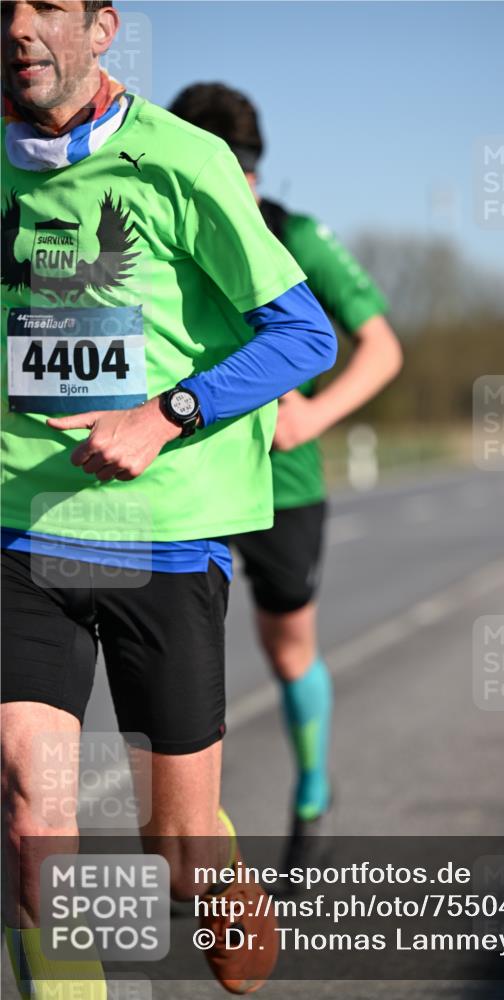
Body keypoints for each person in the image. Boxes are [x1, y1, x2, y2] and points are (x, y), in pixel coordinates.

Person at [1, 2, 338, 997]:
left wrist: (166, 413)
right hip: (22, 526)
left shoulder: (181, 160)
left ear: (102, 28)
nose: (20, 27)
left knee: (178, 848)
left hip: (162, 535)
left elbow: (303, 336)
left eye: (48, 8)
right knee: (31, 816)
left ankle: (212, 872)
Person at [169, 83, 403, 873]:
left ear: (251, 172)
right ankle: (197, 837)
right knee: (170, 658)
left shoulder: (296, 236)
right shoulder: (161, 226)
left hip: (282, 483)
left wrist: (310, 417)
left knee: (286, 649)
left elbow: (380, 346)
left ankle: (310, 798)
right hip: (183, 478)